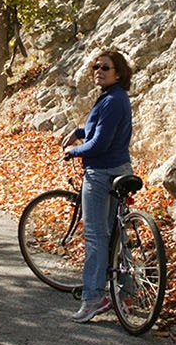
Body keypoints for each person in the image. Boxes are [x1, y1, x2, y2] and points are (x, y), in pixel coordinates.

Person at [58, 49, 135, 323]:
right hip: (120, 168)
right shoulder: (112, 98)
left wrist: (74, 152)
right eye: (96, 67)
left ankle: (93, 298)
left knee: (95, 236)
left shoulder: (112, 100)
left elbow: (100, 144)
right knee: (116, 234)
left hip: (102, 172)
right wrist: (78, 132)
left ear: (118, 73)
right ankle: (126, 293)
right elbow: (101, 130)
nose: (98, 71)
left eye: (105, 67)